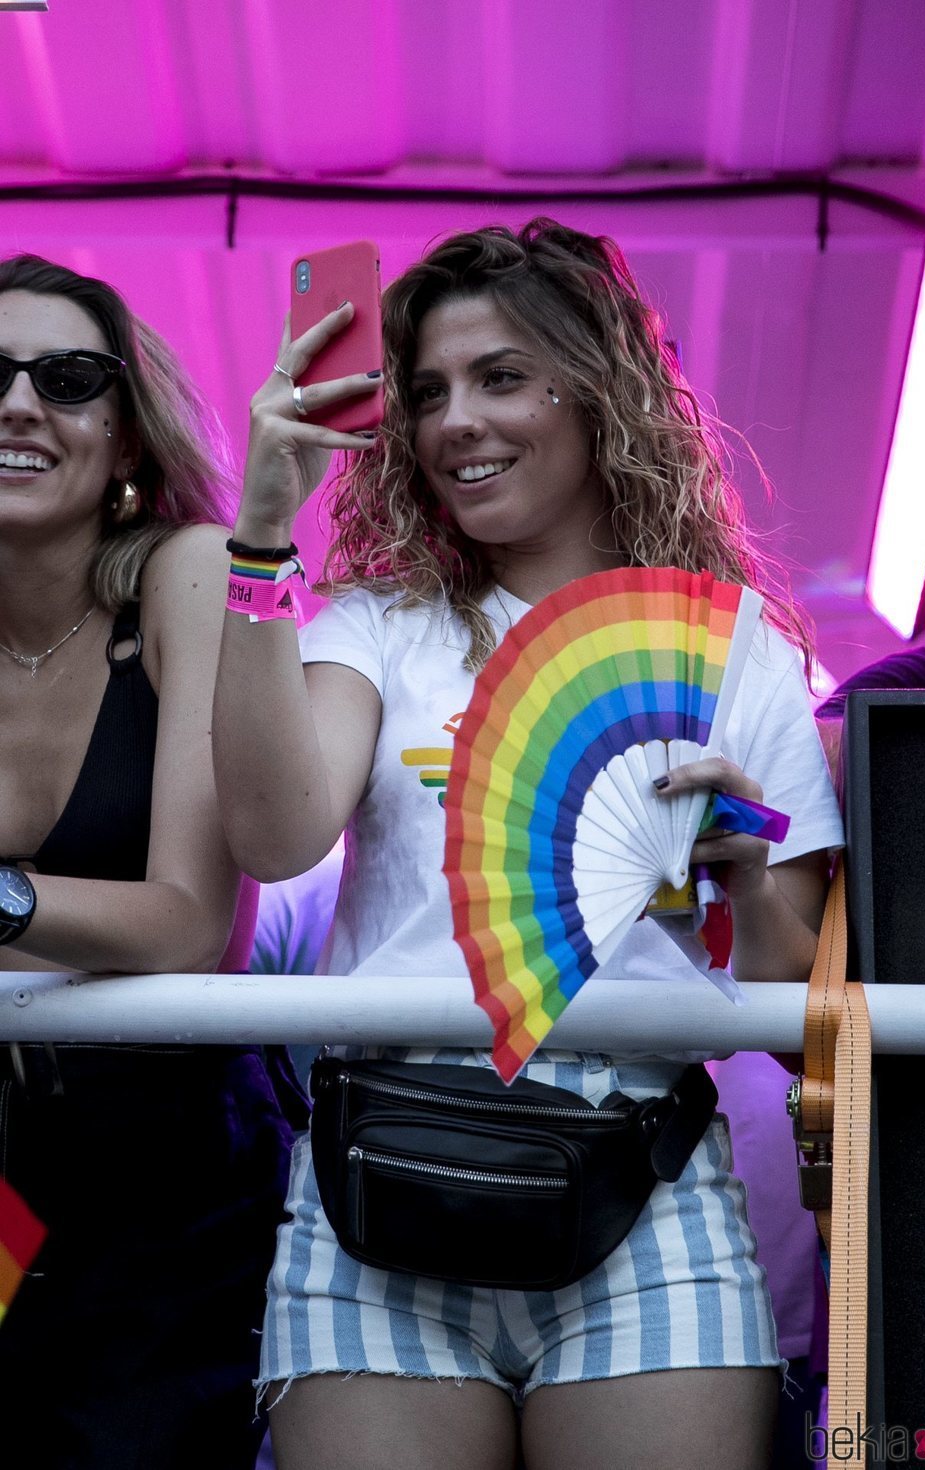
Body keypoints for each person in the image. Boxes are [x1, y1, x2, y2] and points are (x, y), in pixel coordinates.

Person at [213, 218, 845, 1470]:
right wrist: (261, 540)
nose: (457, 421)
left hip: (643, 1190)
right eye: (431, 391)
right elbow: (274, 837)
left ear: (597, 392)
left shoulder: (739, 647)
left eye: (501, 377)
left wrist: (742, 859)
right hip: (373, 1187)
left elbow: (783, 991)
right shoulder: (374, 627)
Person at [0, 255, 297, 1469]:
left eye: (67, 379)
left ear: (125, 440)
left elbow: (189, 925)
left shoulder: (185, 570)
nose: (18, 405)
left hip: (162, 1177)